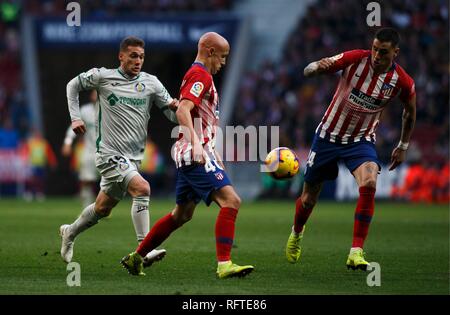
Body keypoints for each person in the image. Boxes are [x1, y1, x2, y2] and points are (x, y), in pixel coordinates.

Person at [120, 32, 254, 279]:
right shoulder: (200, 74)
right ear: (210, 51)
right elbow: (183, 110)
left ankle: (136, 257)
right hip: (194, 155)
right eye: (222, 56)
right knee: (231, 201)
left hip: (194, 153)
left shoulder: (200, 76)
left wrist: (212, 152)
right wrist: (198, 146)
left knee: (181, 215)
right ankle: (224, 264)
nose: (223, 62)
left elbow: (199, 119)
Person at [285, 28, 416, 270]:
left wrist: (403, 145)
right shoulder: (356, 58)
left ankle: (356, 251)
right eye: (375, 49)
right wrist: (316, 68)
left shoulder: (401, 81)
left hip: (360, 141)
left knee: (369, 184)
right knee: (308, 199)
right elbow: (312, 68)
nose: (376, 55)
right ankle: (297, 232)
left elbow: (409, 111)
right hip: (327, 136)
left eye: (383, 52)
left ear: (395, 53)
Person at [60, 36, 179, 267]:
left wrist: (181, 109)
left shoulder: (151, 83)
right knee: (142, 188)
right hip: (108, 155)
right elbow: (72, 85)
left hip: (133, 159)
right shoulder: (103, 76)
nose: (138, 61)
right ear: (121, 56)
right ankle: (144, 250)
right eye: (133, 56)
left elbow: (171, 114)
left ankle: (70, 233)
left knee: (102, 208)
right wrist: (75, 118)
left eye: (142, 57)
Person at [61, 90, 99, 208]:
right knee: (86, 180)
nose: (95, 95)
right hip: (89, 152)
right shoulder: (85, 111)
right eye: (93, 93)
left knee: (109, 183)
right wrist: (68, 142)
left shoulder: (109, 110)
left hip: (107, 152)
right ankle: (87, 208)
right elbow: (74, 127)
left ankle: (104, 207)